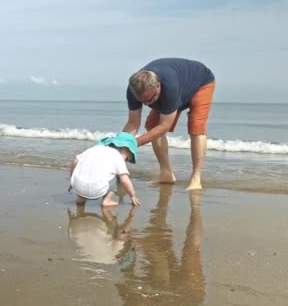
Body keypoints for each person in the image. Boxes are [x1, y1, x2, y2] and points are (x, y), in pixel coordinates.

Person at [122, 58, 216, 190]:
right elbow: (132, 123)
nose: (147, 104)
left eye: (151, 99)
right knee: (152, 125)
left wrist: (133, 144)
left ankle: (196, 178)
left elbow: (164, 127)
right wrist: (121, 146)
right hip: (179, 84)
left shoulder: (170, 87)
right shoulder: (133, 90)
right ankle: (166, 174)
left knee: (196, 127)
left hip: (201, 83)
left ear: (158, 86)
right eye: (143, 101)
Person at [69, 132, 141, 206]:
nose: (126, 161)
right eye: (127, 158)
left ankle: (80, 199)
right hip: (97, 189)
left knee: (88, 168)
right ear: (125, 149)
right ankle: (107, 200)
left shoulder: (95, 148)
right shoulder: (117, 157)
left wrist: (72, 180)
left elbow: (75, 161)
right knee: (119, 175)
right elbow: (125, 180)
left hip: (77, 187)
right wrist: (132, 196)